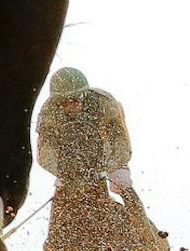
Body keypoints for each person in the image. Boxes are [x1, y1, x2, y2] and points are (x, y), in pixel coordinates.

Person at [36, 66, 140, 214]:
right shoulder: (49, 113)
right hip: (71, 161)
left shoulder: (105, 103)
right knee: (61, 193)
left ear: (85, 94)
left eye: (76, 99)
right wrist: (65, 172)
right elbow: (44, 155)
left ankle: (145, 232)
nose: (71, 105)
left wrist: (105, 167)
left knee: (122, 182)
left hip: (106, 154)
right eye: (64, 102)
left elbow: (123, 146)